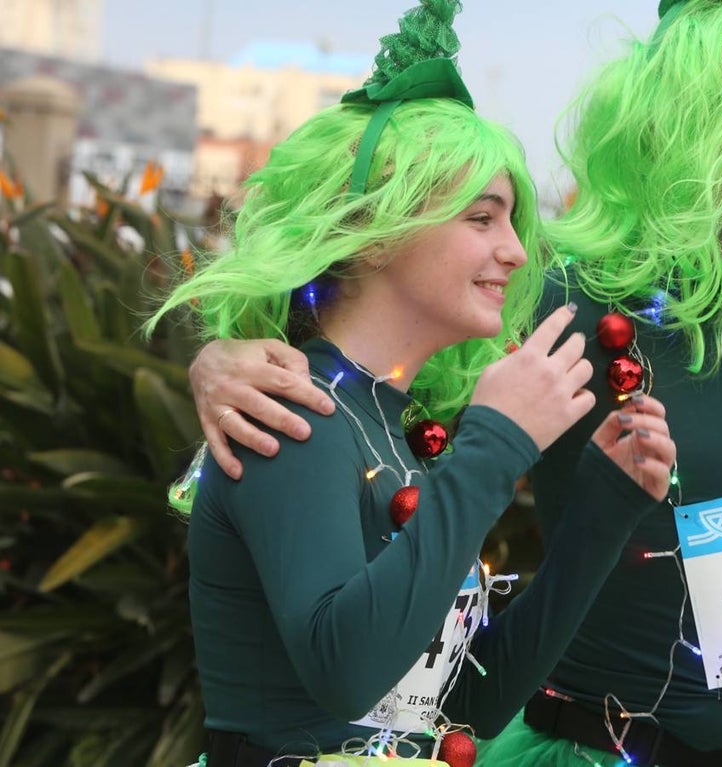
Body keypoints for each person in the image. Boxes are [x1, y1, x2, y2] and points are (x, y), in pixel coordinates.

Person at [184, 1, 722, 766]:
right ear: (674, 117)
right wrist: (222, 361)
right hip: (588, 745)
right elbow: (372, 369)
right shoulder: (554, 306)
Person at [146, 2, 676, 765]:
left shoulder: (377, 423)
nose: (516, 252)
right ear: (377, 228)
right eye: (483, 218)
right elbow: (346, 672)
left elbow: (471, 702)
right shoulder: (288, 409)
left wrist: (604, 506)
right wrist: (496, 443)